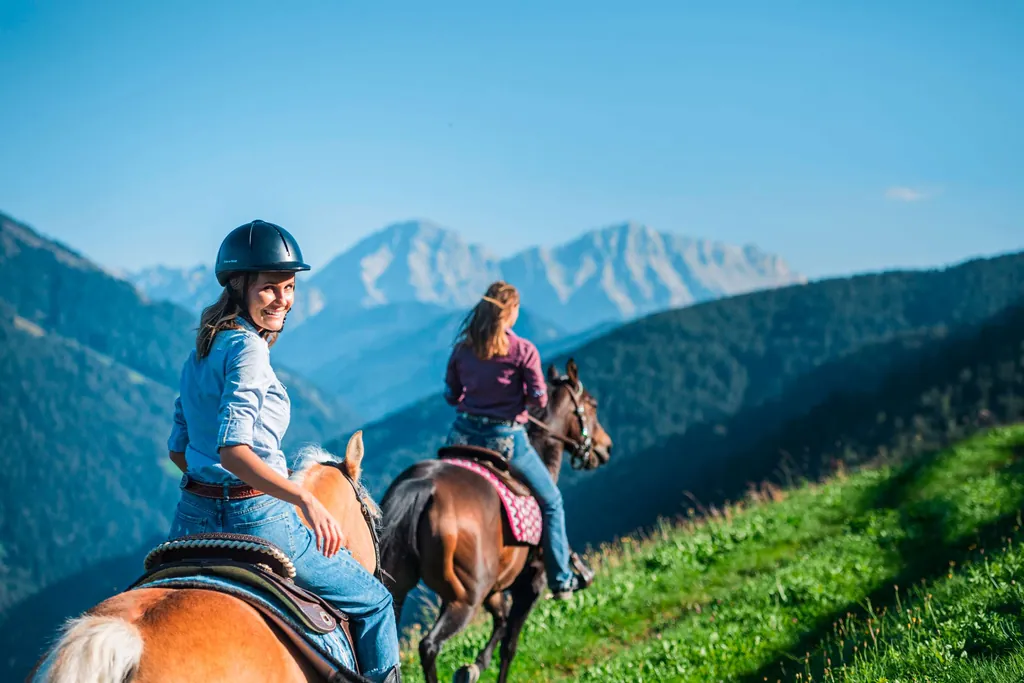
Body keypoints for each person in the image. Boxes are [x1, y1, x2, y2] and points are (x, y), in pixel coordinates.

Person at [166, 219, 401, 683]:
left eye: (289, 287)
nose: (283, 299)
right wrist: (303, 497)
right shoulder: (249, 349)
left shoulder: (202, 350)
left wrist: (210, 483)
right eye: (270, 287)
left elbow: (179, 450)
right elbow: (233, 451)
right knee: (376, 602)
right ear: (238, 285)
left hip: (190, 520)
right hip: (258, 520)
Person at [443, 280, 587, 600]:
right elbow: (539, 399)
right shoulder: (523, 350)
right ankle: (561, 579)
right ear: (512, 311)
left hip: (462, 435)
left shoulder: (463, 349)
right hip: (504, 439)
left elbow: (452, 395)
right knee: (552, 502)